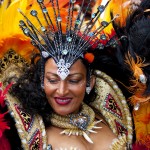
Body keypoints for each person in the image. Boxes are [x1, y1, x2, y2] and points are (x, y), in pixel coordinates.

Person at [0, 0, 133, 149]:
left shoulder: (111, 118)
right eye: (52, 80)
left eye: (74, 80)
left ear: (90, 82)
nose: (62, 91)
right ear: (42, 81)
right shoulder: (34, 137)